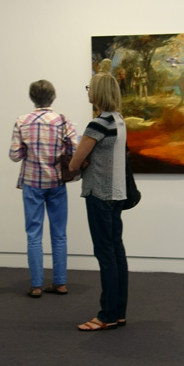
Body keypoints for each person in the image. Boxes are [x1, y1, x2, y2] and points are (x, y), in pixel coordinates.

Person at [67, 72, 130, 330]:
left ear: (98, 92)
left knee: (105, 254)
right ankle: (118, 312)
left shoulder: (98, 124)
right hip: (116, 193)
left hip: (99, 194)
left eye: (89, 87)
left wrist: (80, 160)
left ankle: (106, 316)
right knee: (116, 252)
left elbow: (73, 162)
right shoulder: (119, 121)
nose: (87, 91)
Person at [8, 80, 78, 298]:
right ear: (53, 97)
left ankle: (37, 285)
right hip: (56, 183)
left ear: (32, 97)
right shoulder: (62, 120)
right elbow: (74, 149)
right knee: (59, 235)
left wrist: (29, 151)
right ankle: (60, 283)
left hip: (32, 183)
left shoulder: (22, 121)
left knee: (33, 234)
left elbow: (14, 155)